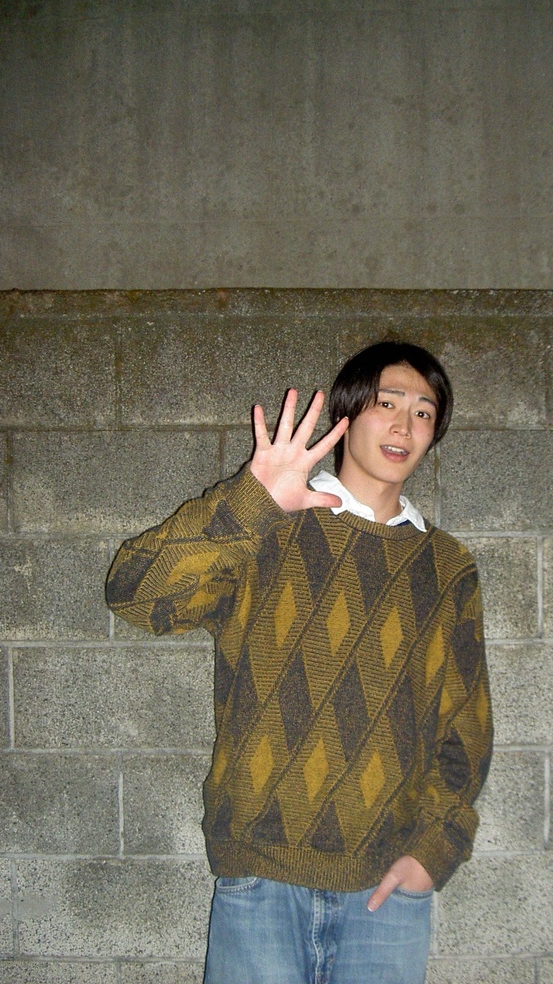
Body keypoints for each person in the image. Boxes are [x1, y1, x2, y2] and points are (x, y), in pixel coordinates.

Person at [106, 341, 493, 984]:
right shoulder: (271, 530)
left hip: (386, 888)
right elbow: (135, 594)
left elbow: (466, 727)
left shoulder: (445, 566)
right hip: (259, 877)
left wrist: (434, 851)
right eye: (387, 403)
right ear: (346, 412)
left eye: (423, 413)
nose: (404, 425)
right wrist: (252, 499)